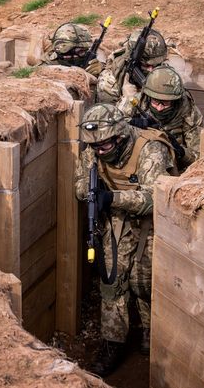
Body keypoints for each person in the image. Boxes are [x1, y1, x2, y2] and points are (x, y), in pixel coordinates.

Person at [74, 103, 174, 376]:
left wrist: (113, 198)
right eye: (93, 146)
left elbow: (156, 199)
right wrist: (94, 192)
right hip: (117, 221)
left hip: (153, 223)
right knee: (111, 280)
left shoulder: (150, 150)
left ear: (119, 136)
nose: (97, 151)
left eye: (104, 146)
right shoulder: (94, 150)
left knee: (144, 282)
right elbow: (80, 185)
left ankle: (151, 331)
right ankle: (112, 342)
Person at [130, 65, 204, 173]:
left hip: (173, 166)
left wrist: (181, 152)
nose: (159, 108)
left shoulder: (189, 113)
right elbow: (112, 130)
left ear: (175, 101)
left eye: (165, 103)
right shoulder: (135, 103)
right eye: (155, 102)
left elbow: (199, 159)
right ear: (149, 96)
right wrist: (131, 125)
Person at [95, 28, 168, 106]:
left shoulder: (165, 71)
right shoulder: (109, 82)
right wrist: (129, 101)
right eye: (146, 65)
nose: (151, 70)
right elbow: (106, 116)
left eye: (156, 64)